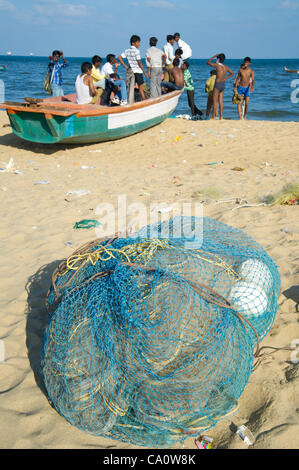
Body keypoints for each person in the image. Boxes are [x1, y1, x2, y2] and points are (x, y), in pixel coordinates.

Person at [118, 35, 149, 102]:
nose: (139, 44)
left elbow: (119, 58)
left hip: (130, 70)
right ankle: (145, 101)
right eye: (138, 42)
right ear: (133, 43)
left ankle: (129, 102)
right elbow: (140, 63)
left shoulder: (127, 50)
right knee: (141, 88)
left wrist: (126, 66)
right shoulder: (137, 51)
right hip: (137, 71)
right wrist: (145, 73)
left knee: (130, 88)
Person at [207, 53, 234, 120]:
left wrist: (214, 56)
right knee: (221, 101)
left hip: (217, 84)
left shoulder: (217, 66)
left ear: (218, 59)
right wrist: (225, 78)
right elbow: (232, 73)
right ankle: (221, 116)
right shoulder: (225, 67)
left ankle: (213, 116)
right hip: (222, 84)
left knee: (215, 101)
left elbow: (208, 62)